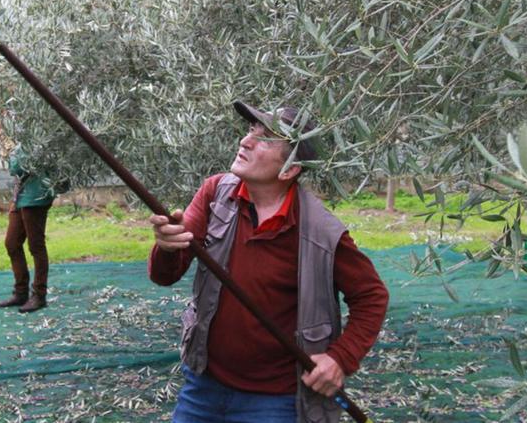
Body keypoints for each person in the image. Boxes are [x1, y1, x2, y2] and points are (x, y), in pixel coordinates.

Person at [148, 101, 389, 423]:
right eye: (251, 130)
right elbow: (166, 274)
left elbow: (372, 296)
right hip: (203, 383)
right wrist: (166, 247)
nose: (245, 141)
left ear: (289, 170)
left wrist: (340, 359)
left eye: (265, 138)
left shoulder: (321, 232)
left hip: (274, 400)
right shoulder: (215, 193)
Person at [0, 146, 56, 313]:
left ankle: (39, 295)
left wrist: (10, 153)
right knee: (12, 243)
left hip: (35, 198)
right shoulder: (21, 144)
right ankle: (21, 293)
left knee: (36, 246)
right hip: (20, 198)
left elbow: (16, 168)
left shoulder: (37, 141)